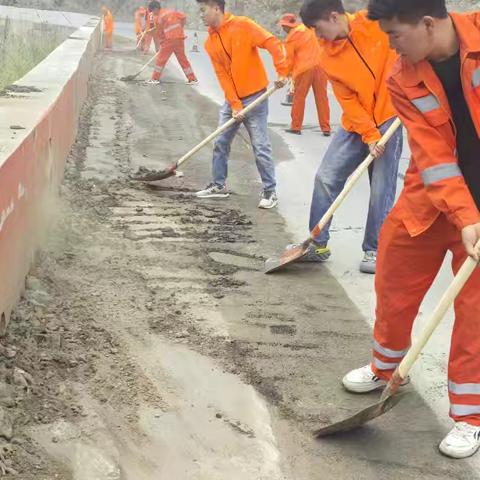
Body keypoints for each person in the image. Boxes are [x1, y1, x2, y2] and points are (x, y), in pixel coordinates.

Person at [342, 0, 480, 459]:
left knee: (476, 315)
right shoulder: (403, 76)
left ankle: (469, 416)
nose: (390, 45)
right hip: (432, 199)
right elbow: (433, 155)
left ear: (427, 23)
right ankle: (384, 369)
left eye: (395, 34)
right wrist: (465, 216)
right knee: (393, 280)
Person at [295, 0, 403, 273]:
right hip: (357, 124)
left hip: (391, 115)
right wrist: (369, 134)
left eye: (319, 30)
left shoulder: (375, 22)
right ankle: (317, 243)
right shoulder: (327, 55)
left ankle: (374, 250)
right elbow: (348, 100)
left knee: (381, 188)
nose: (319, 38)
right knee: (326, 177)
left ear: (334, 17)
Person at [195, 0, 288, 210]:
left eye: (203, 10)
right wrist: (235, 105)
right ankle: (219, 185)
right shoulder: (210, 43)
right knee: (221, 141)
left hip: (255, 97)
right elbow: (222, 76)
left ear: (216, 8)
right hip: (232, 100)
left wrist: (282, 71)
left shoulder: (243, 25)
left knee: (260, 146)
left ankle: (270, 190)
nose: (200, 15)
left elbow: (271, 42)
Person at [278, 13, 331, 136]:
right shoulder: (309, 28)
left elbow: (289, 60)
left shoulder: (291, 37)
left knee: (299, 98)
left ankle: (296, 126)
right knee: (322, 98)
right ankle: (326, 128)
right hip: (321, 67)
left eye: (283, 26)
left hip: (304, 69)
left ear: (288, 26)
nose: (283, 29)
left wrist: (285, 75)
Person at [148, 6, 199, 85]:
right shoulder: (172, 11)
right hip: (179, 38)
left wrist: (162, 42)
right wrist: (180, 27)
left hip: (169, 40)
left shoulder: (159, 18)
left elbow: (160, 32)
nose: (153, 13)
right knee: (183, 60)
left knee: (160, 60)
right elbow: (183, 17)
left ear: (155, 9)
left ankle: (155, 79)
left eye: (152, 11)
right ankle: (192, 79)